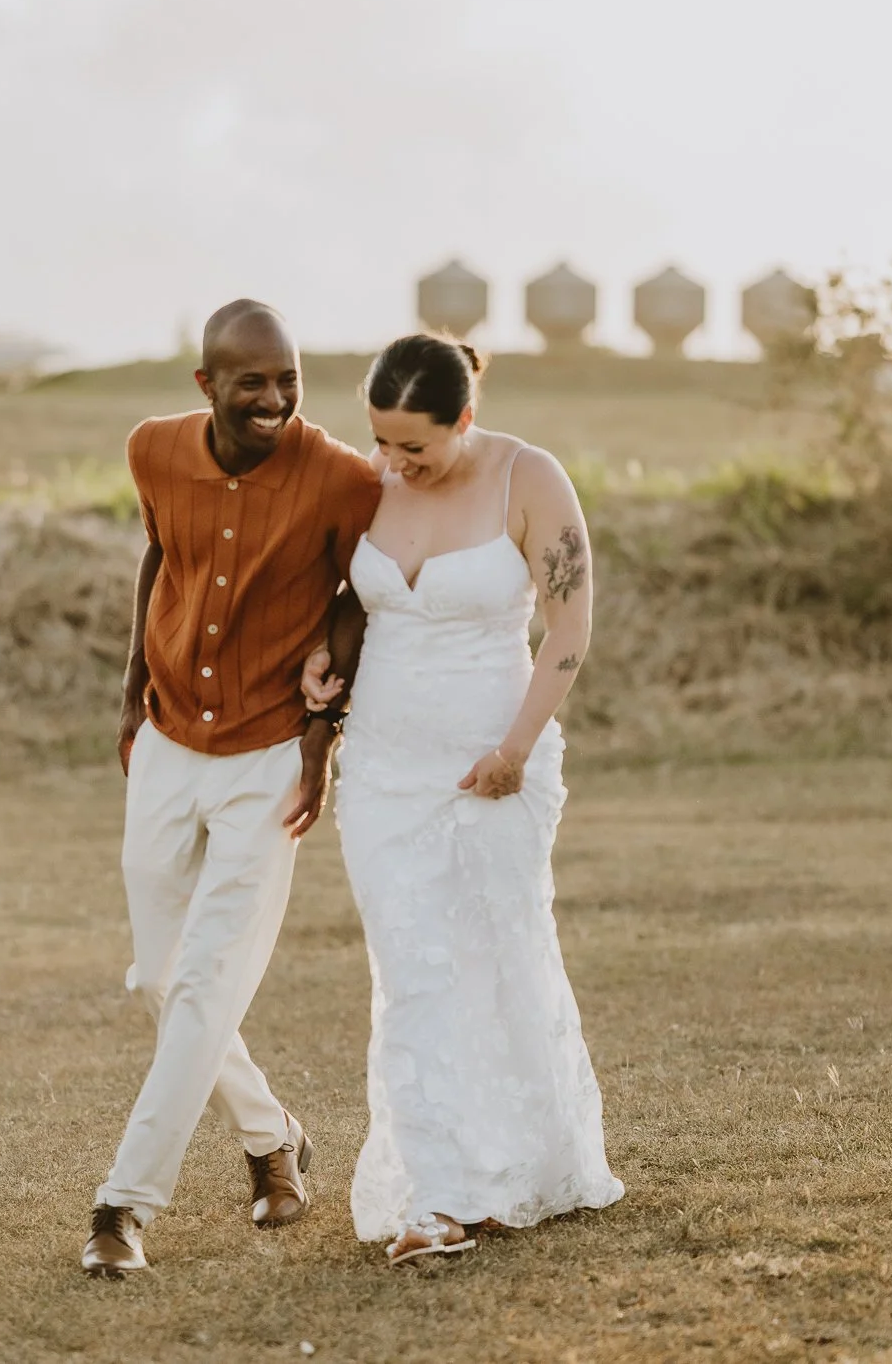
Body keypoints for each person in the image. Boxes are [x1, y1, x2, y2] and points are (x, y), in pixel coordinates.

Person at [303, 332, 624, 1266]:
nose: (393, 462)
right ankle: (438, 1193)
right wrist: (324, 652)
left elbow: (570, 623)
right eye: (380, 439)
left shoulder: (529, 477)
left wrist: (515, 748)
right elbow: (354, 595)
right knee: (412, 968)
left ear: (466, 419)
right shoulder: (372, 482)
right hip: (383, 769)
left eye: (415, 446)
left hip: (494, 760)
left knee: (499, 954)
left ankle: (530, 1159)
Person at [80, 299, 383, 1277]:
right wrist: (130, 690)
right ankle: (271, 1134)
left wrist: (322, 735)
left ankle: (123, 1205)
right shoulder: (153, 449)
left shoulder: (340, 477)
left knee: (207, 978)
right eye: (252, 382)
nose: (275, 400)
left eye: (289, 380)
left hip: (268, 758)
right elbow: (160, 554)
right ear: (206, 384)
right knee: (157, 976)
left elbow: (362, 599)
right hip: (167, 739)